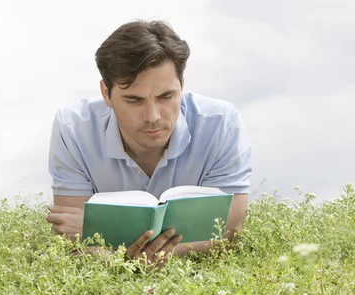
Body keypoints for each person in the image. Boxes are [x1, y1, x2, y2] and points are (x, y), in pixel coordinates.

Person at [47, 19, 252, 268]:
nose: (153, 116)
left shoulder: (222, 124)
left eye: (166, 96)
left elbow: (229, 232)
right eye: (134, 100)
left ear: (182, 85)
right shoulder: (73, 129)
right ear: (105, 94)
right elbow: (72, 237)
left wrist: (124, 254)